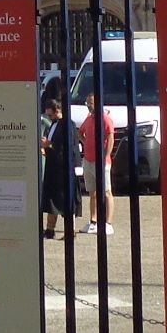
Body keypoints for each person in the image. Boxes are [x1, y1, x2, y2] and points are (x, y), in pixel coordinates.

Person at [40, 93, 83, 234]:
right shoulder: (54, 124)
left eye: (51, 115)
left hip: (64, 168)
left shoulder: (68, 125)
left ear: (58, 110)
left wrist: (49, 145)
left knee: (66, 199)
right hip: (53, 167)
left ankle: (70, 231)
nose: (50, 117)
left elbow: (69, 147)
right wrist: (46, 148)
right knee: (51, 198)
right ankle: (50, 229)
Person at [82, 99, 115, 231]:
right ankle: (93, 222)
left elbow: (111, 137)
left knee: (106, 192)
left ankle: (108, 223)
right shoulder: (89, 119)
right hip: (88, 160)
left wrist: (106, 155)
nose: (88, 105)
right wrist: (86, 143)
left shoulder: (105, 119)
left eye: (91, 102)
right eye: (87, 103)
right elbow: (80, 132)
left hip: (101, 162)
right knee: (92, 192)